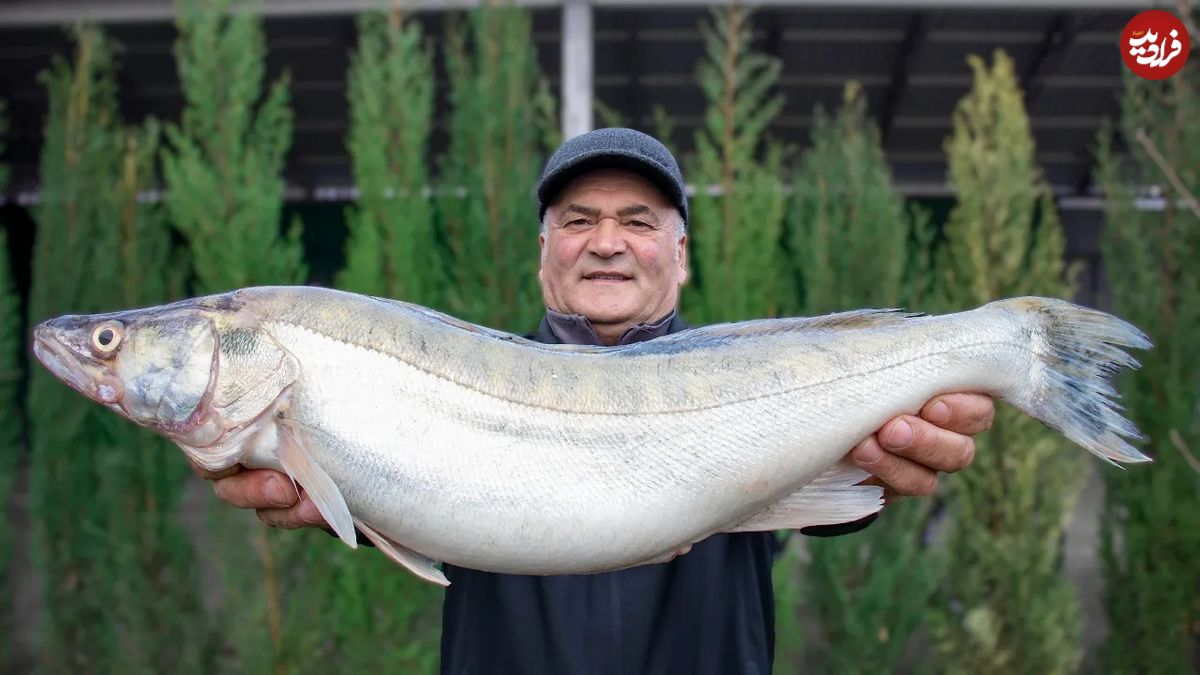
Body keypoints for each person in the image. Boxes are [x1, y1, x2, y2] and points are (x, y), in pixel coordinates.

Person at [198, 128, 994, 674]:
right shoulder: (435, 384)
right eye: (578, 220)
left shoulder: (764, 376)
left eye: (638, 221)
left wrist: (884, 466)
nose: (606, 240)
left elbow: (851, 481)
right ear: (545, 252)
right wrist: (324, 479)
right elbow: (391, 482)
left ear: (679, 256)